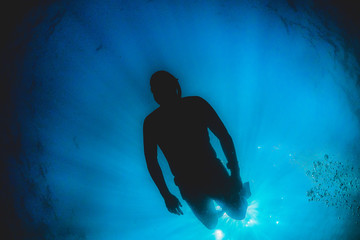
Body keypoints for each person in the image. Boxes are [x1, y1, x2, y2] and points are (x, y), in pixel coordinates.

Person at [143, 71, 250, 229]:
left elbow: (224, 137)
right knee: (213, 223)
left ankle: (236, 198)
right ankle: (234, 199)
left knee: (233, 216)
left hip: (197, 179)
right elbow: (224, 136)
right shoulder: (194, 105)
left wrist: (235, 174)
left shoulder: (153, 122)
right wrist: (235, 173)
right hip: (196, 180)